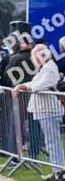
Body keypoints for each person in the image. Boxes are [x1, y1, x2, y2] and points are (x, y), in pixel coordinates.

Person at [15, 44, 65, 172]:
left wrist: (27, 87)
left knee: (52, 143)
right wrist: (24, 85)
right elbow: (36, 82)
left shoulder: (49, 68)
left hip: (48, 110)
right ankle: (58, 170)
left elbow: (41, 85)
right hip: (45, 109)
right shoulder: (46, 67)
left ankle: (59, 171)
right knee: (52, 142)